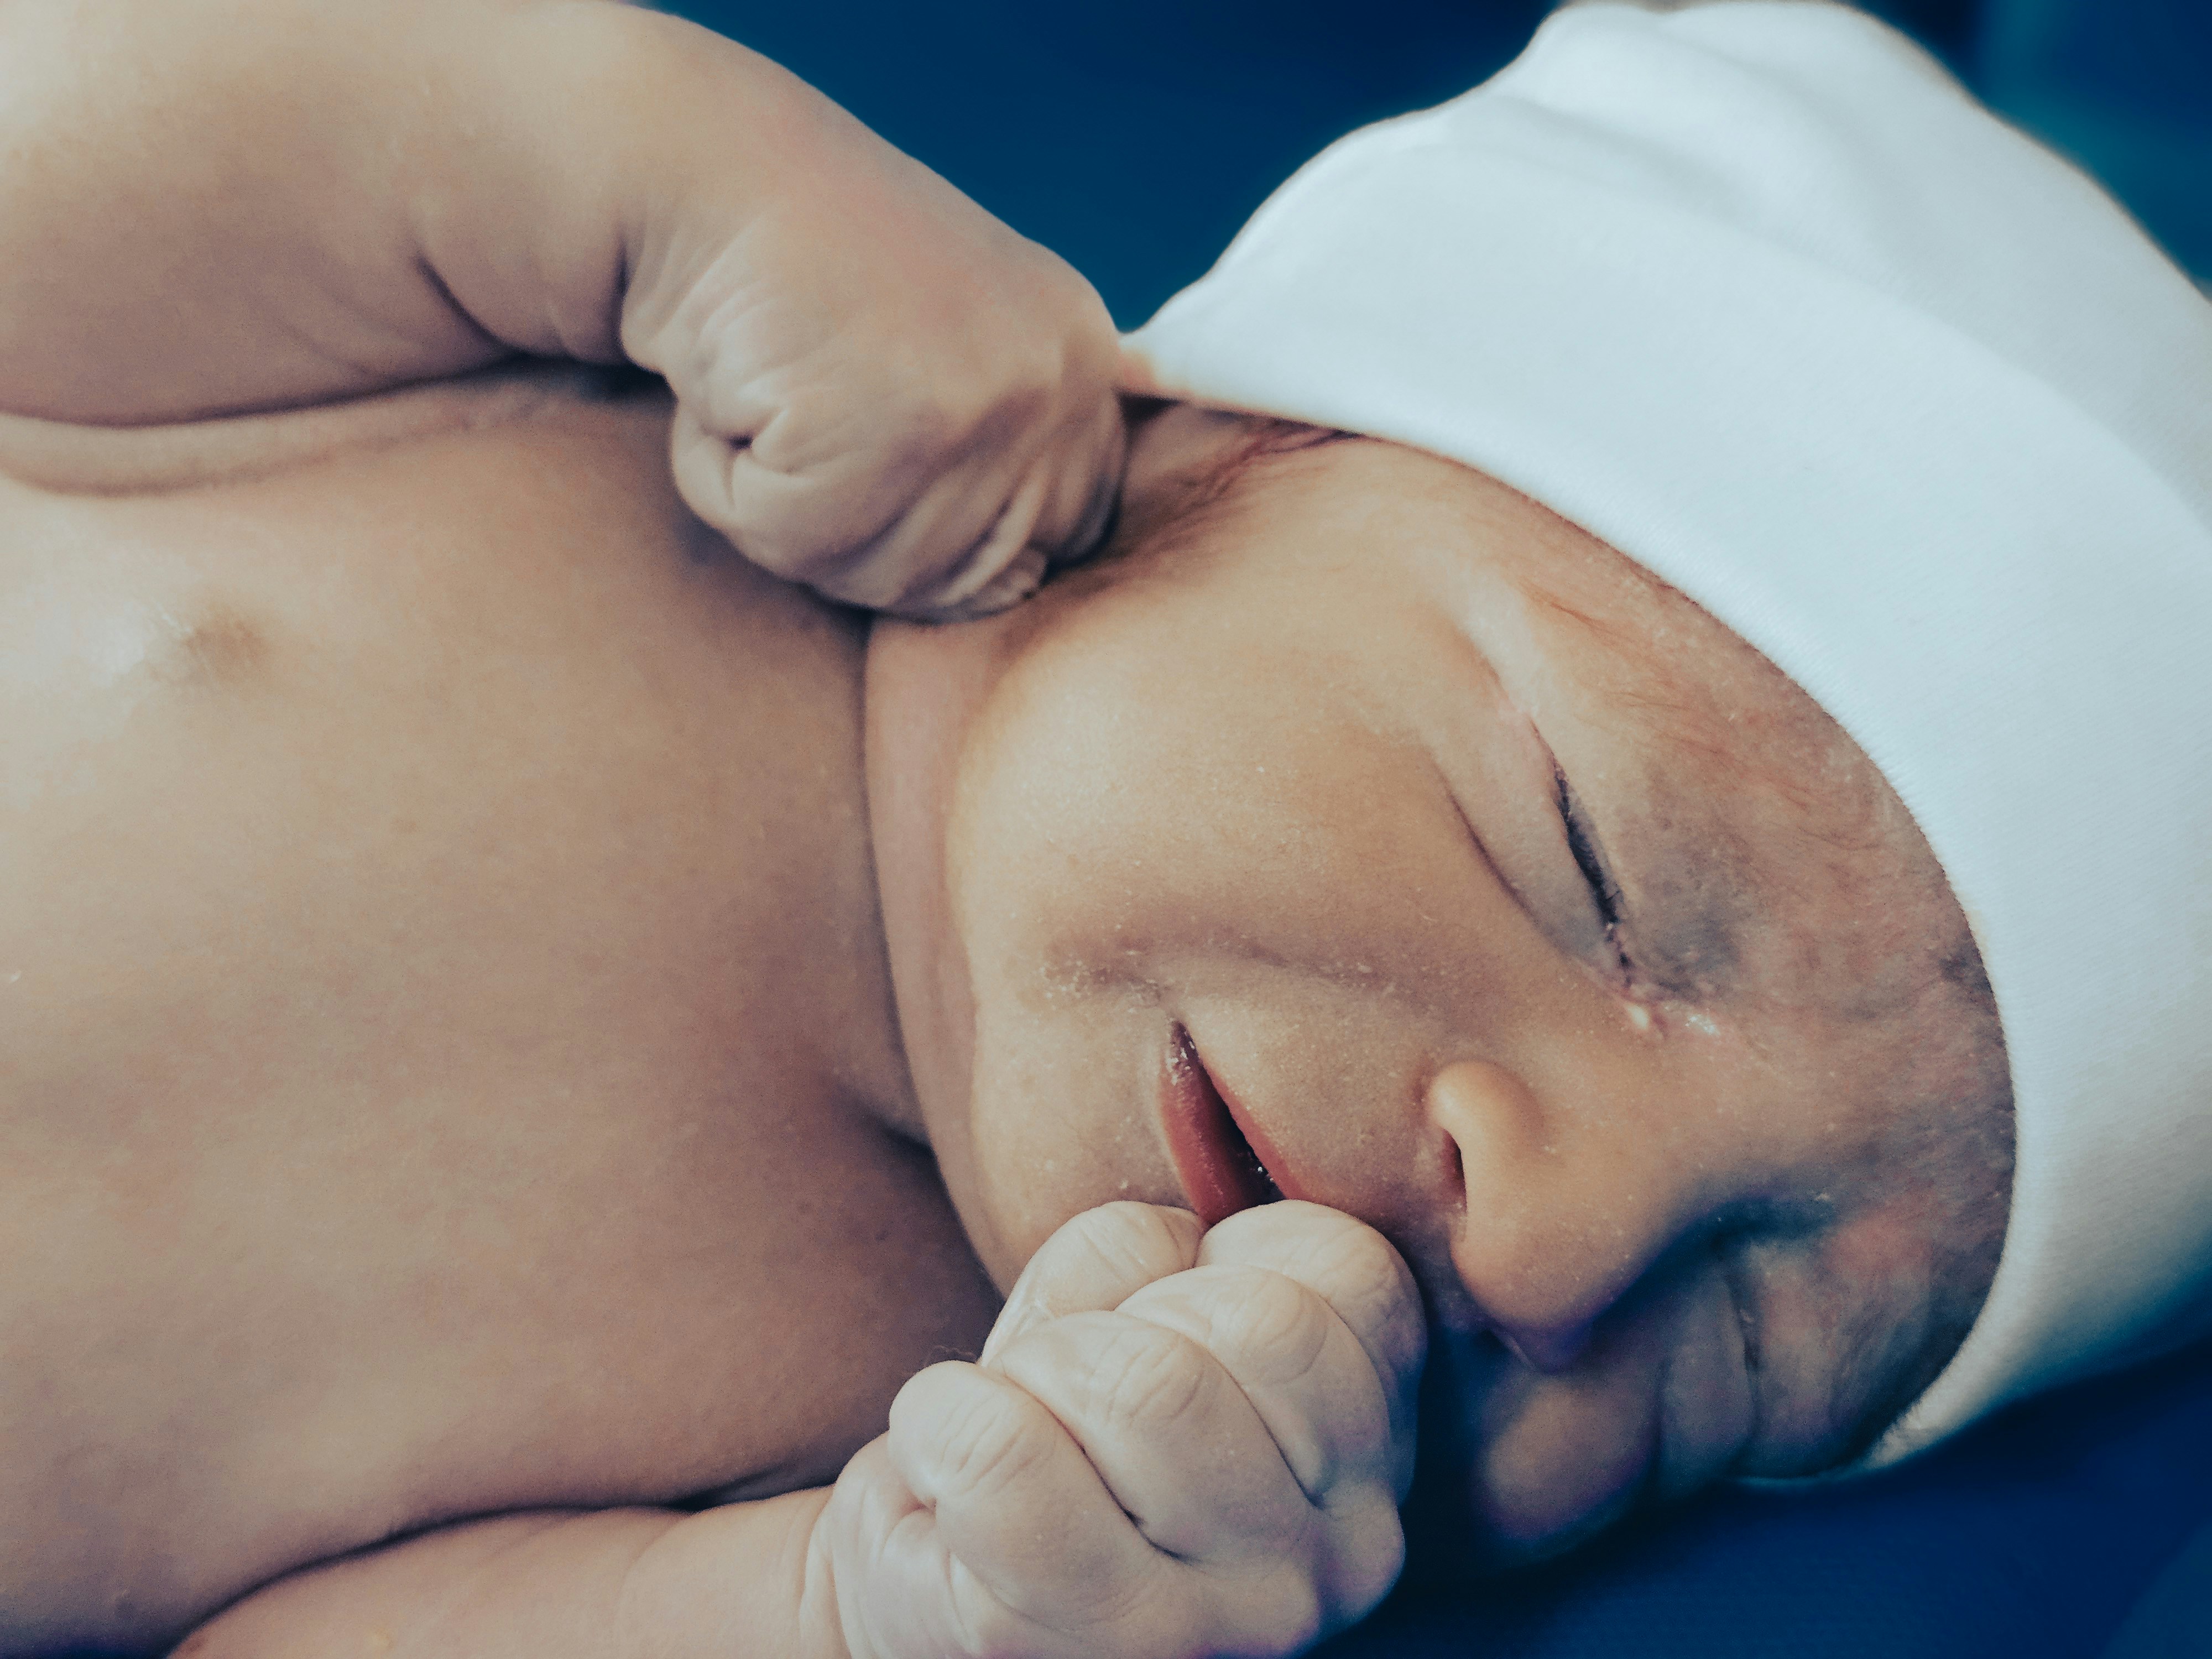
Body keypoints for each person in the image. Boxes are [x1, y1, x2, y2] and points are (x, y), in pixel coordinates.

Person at [2, 3, 2205, 1657]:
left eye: (1735, 1343)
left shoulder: (918, 1422)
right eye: (1583, 864)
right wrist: (613, 149)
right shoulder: (541, 414)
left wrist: (888, 1607)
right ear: (1219, 436)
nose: (1553, 1236)